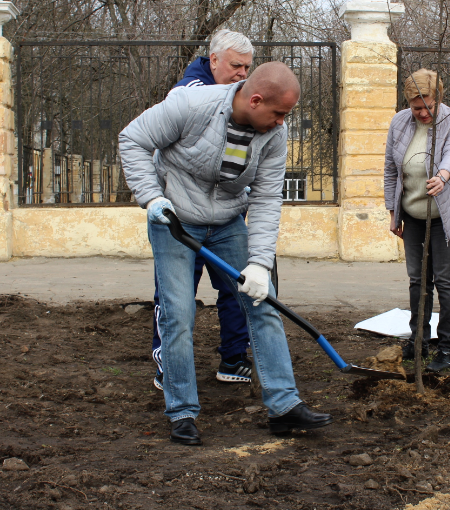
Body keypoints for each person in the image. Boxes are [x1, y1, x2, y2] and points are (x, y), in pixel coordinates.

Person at [120, 62, 332, 445]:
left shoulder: (274, 137)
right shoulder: (190, 105)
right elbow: (132, 139)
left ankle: (284, 406)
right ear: (254, 99)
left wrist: (259, 263)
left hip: (228, 221)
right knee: (178, 314)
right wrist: (151, 198)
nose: (283, 123)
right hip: (174, 220)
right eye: (279, 113)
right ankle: (182, 411)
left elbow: (267, 199)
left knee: (262, 301)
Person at [150, 30, 258, 392]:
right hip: (180, 217)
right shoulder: (188, 93)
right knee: (175, 296)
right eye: (235, 65)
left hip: (225, 215)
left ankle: (233, 357)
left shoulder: (242, 94)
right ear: (214, 60)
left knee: (238, 287)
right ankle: (170, 364)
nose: (242, 73)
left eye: (247, 66)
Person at [384, 69, 450, 372]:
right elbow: (391, 169)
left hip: (447, 213)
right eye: (416, 107)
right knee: (417, 280)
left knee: (446, 280)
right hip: (413, 214)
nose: (422, 113)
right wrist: (393, 212)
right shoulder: (400, 122)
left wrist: (443, 176)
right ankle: (418, 340)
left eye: (428, 106)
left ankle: (448, 348)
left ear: (439, 99)